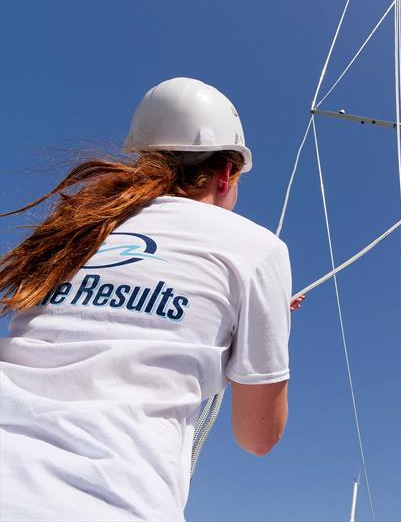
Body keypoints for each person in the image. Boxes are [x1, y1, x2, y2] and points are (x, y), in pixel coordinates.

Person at [0, 77, 297, 521]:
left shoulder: (75, 229)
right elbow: (258, 437)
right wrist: (253, 334)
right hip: (107, 502)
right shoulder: (256, 248)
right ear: (227, 173)